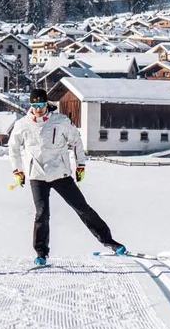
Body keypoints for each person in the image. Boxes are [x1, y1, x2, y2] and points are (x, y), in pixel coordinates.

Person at [9, 86, 127, 266]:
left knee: (82, 208)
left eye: (41, 105)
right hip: (37, 175)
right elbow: (13, 148)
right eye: (35, 106)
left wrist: (81, 164)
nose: (38, 109)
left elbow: (76, 142)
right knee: (42, 214)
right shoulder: (22, 125)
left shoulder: (61, 121)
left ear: (47, 104)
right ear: (31, 106)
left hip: (60, 173)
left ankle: (109, 242)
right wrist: (17, 170)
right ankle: (41, 253)